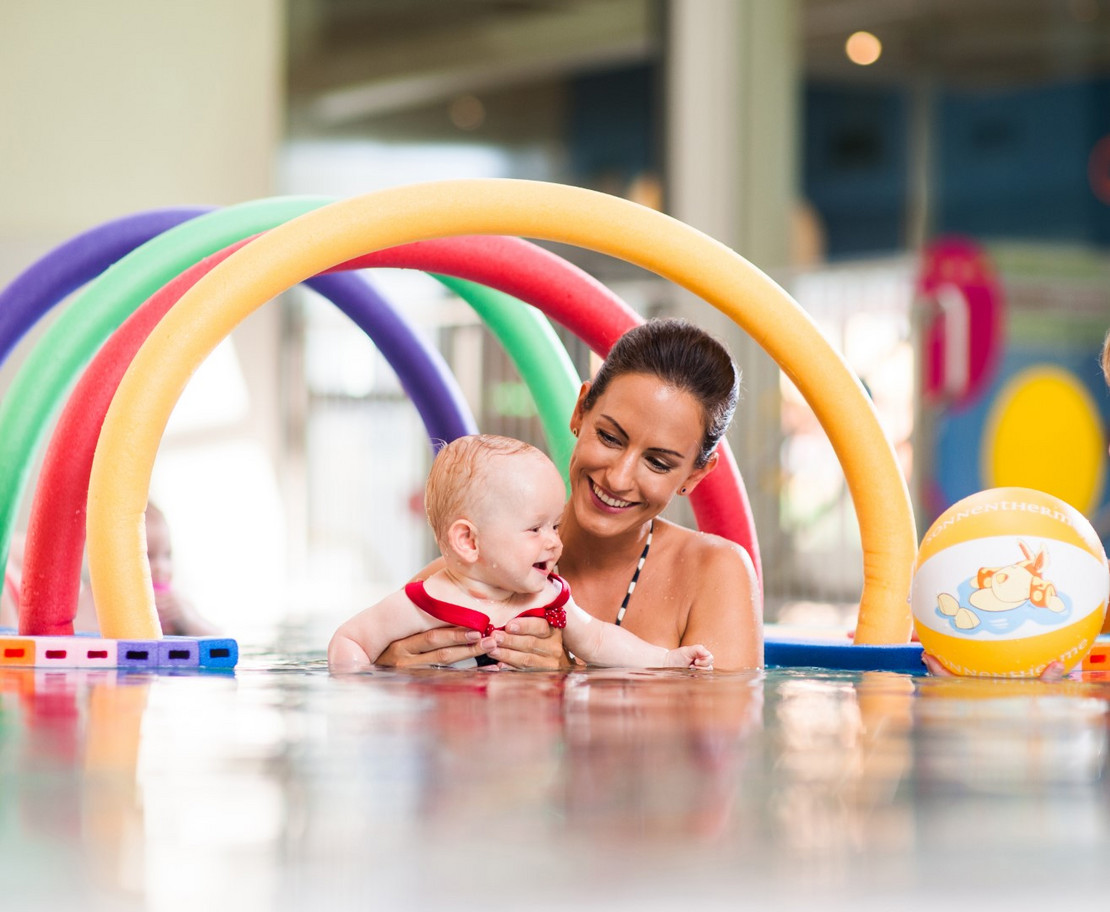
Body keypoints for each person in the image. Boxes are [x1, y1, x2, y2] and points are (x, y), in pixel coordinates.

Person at [371, 318, 762, 672]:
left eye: (657, 462)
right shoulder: (471, 570)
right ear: (580, 411)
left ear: (694, 474)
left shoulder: (714, 573)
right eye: (609, 437)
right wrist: (390, 667)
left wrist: (568, 677)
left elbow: (722, 723)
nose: (619, 478)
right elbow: (366, 661)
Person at [328, 434, 715, 671]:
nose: (554, 542)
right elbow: (351, 640)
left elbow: (599, 641)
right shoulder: (422, 603)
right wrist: (359, 684)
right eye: (535, 529)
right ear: (469, 542)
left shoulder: (549, 597)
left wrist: (666, 659)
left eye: (555, 526)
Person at [145, 502, 218, 637]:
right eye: (147, 556)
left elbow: (217, 637)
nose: (161, 567)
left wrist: (187, 620)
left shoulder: (179, 603)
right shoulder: (108, 605)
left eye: (167, 555)